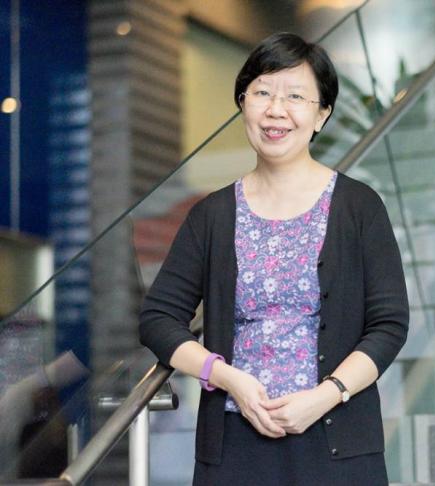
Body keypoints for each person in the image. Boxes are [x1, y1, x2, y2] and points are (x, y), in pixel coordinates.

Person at [139, 32, 409, 485]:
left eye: (296, 97)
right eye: (262, 93)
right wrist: (228, 378)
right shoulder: (211, 215)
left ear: (322, 114)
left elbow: (389, 325)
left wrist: (326, 395)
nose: (276, 110)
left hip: (337, 441)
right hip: (234, 443)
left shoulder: (359, 206)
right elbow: (158, 319)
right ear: (243, 104)